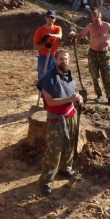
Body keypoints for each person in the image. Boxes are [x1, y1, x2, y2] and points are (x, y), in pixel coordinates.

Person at [37, 48, 83, 195]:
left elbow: (72, 93)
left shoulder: (68, 75)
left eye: (66, 59)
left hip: (71, 115)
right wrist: (70, 99)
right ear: (55, 61)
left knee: (69, 146)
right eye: (61, 59)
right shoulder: (48, 78)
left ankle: (66, 168)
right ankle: (46, 181)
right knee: (54, 151)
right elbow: (50, 102)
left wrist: (78, 98)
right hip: (55, 119)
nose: (64, 61)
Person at [68, 8, 110, 108]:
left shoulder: (106, 25)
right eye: (93, 20)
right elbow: (80, 36)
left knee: (108, 75)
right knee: (95, 76)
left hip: (104, 55)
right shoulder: (90, 26)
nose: (95, 22)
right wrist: (74, 34)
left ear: (101, 17)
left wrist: (109, 41)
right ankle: (99, 94)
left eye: (97, 20)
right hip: (93, 54)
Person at [33, 10, 62, 81]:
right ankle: (42, 91)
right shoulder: (39, 30)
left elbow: (59, 36)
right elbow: (35, 46)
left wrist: (50, 35)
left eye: (52, 18)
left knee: (54, 78)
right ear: (45, 18)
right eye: (49, 17)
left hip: (54, 57)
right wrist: (45, 46)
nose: (50, 19)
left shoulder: (57, 28)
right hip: (43, 57)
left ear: (55, 19)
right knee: (42, 77)